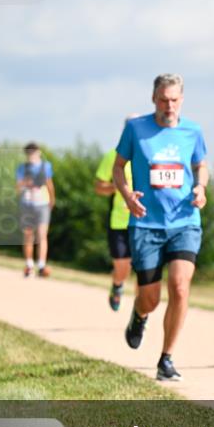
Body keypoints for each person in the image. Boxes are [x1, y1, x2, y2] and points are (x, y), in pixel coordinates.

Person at [114, 74, 208, 382]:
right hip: (145, 223)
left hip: (184, 220)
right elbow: (118, 167)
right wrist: (127, 195)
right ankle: (140, 315)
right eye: (164, 99)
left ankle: (166, 358)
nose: (169, 105)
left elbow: (200, 166)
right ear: (154, 98)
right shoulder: (135, 128)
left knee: (180, 287)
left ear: (182, 99)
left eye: (174, 100)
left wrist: (201, 188)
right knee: (150, 298)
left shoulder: (192, 131)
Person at [95, 122, 136, 310]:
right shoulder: (112, 156)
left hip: (144, 221)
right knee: (123, 267)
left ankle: (140, 310)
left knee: (146, 270)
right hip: (119, 221)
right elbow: (98, 187)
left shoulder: (150, 155)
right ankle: (117, 285)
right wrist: (118, 186)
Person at [15, 142, 55, 277]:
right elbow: (18, 188)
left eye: (33, 152)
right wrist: (26, 182)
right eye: (29, 153)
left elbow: (50, 184)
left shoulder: (46, 166)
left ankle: (42, 265)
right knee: (28, 235)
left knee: (42, 235)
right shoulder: (22, 168)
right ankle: (29, 264)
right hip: (27, 204)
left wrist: (52, 200)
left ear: (39, 152)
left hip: (43, 203)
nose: (31, 155)